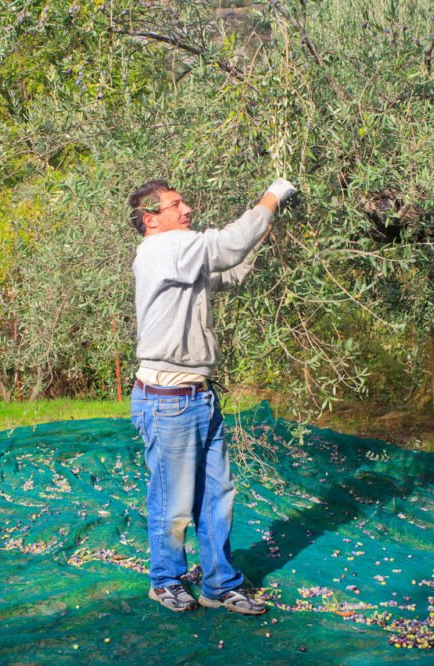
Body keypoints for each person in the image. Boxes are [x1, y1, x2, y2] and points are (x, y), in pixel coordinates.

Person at [127, 178, 297, 614]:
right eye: (175, 204)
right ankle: (165, 580)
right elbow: (226, 245)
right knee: (173, 499)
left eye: (184, 202)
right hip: (167, 399)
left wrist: (266, 231)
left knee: (217, 494)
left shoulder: (181, 255)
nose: (187, 210)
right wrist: (272, 197)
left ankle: (220, 584)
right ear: (151, 219)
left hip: (198, 396)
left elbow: (232, 269)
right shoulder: (163, 249)